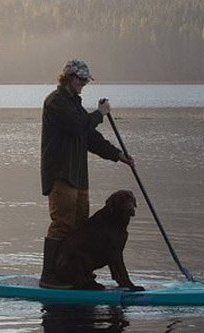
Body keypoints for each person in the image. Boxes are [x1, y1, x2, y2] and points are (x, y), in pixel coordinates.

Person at [39, 59, 134, 289]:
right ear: (69, 77)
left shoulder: (74, 104)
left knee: (79, 228)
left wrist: (118, 155)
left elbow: (89, 137)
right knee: (62, 225)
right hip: (61, 174)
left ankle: (77, 274)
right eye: (80, 79)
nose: (83, 84)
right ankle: (49, 277)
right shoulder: (56, 102)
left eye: (85, 80)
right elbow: (79, 126)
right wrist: (100, 114)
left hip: (79, 177)